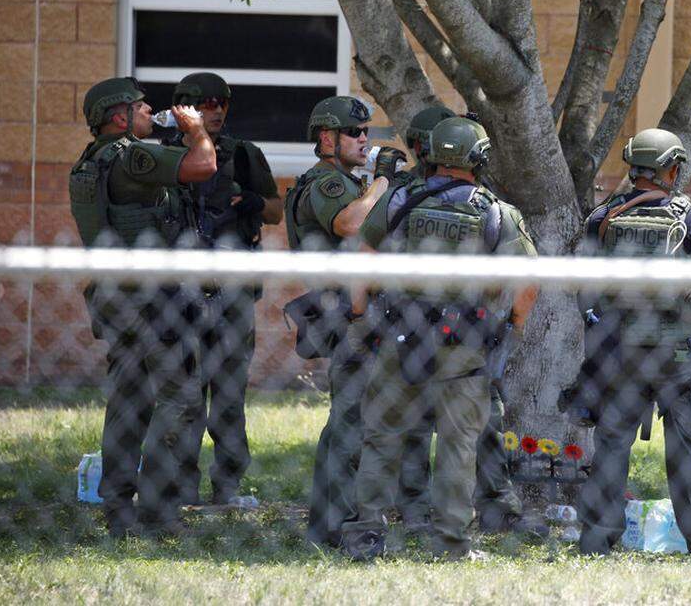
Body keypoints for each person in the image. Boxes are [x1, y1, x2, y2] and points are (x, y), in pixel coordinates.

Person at [340, 116, 539, 560]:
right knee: (458, 443)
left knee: (382, 437)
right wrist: (513, 326)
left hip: (401, 334)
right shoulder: (495, 212)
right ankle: (451, 543)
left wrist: (358, 315)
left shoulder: (398, 198)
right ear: (479, 157)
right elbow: (529, 280)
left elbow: (364, 258)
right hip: (464, 342)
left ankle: (366, 535)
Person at [573, 128, 691, 558]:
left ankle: (595, 539)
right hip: (677, 353)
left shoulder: (601, 218)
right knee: (686, 446)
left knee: (610, 444)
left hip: (618, 352)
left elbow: (583, 286)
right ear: (674, 168)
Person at [68, 77, 216, 537]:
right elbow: (203, 165)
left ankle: (117, 506)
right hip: (153, 299)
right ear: (119, 118)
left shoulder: (89, 162)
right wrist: (195, 130)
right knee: (180, 397)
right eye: (140, 106)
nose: (150, 110)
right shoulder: (131, 154)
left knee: (128, 400)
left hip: (117, 295)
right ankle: (158, 510)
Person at [284, 95, 428, 546]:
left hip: (354, 312)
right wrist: (383, 180)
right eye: (353, 132)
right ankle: (338, 525)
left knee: (347, 423)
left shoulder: (346, 180)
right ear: (327, 138)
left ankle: (331, 522)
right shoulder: (326, 183)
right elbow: (351, 224)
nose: (363, 139)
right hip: (346, 315)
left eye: (366, 132)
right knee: (352, 425)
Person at [165, 72, 282, 507]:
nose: (215, 110)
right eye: (204, 103)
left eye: (222, 103)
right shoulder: (162, 156)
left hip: (232, 291)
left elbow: (274, 211)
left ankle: (228, 487)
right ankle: (181, 488)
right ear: (184, 108)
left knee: (229, 396)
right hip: (182, 291)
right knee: (184, 394)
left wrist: (255, 203)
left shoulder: (245, 155)